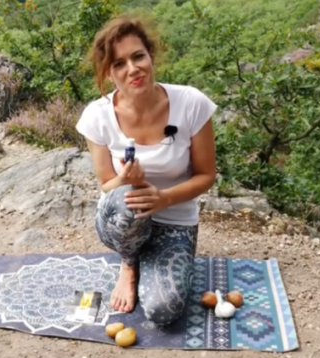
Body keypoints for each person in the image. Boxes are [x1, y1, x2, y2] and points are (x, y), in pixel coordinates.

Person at [75, 16, 217, 326]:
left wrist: (163, 198)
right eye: (119, 64)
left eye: (138, 56)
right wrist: (125, 180)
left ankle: (153, 259)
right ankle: (129, 264)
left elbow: (207, 175)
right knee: (127, 197)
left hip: (175, 221)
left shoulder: (191, 103)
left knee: (164, 312)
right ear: (109, 73)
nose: (132, 69)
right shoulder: (97, 116)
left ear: (151, 56)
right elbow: (106, 184)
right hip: (123, 220)